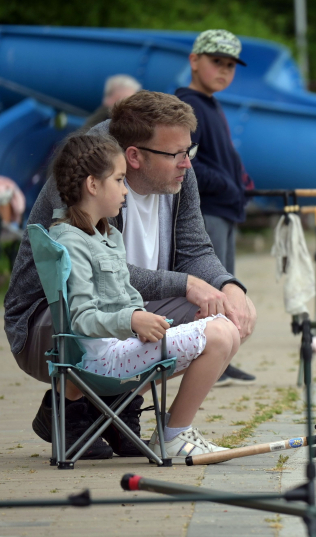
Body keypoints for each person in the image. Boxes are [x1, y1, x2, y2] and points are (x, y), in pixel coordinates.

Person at [4, 90, 257, 459]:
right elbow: (89, 276)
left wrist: (227, 286)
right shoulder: (88, 172)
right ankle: (70, 407)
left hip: (127, 309)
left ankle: (121, 408)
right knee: (205, 321)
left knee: (227, 313)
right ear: (134, 156)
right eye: (177, 155)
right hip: (50, 321)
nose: (187, 164)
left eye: (190, 151)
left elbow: (195, 250)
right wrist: (184, 284)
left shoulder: (178, 173)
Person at [48, 134, 237, 457]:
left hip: (119, 349)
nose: (125, 189)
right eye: (119, 180)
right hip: (102, 359)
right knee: (220, 335)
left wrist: (151, 319)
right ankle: (175, 435)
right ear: (93, 186)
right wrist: (133, 320)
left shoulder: (107, 234)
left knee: (223, 328)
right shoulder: (72, 241)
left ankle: (172, 432)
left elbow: (124, 295)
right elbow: (80, 318)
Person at [176, 29, 257, 386]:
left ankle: (223, 358)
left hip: (225, 209)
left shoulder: (211, 103)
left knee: (229, 286)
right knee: (214, 288)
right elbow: (186, 161)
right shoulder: (186, 105)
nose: (223, 70)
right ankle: (208, 356)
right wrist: (227, 184)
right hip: (206, 211)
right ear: (194, 61)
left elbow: (221, 155)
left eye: (230, 65)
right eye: (216, 62)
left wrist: (242, 178)